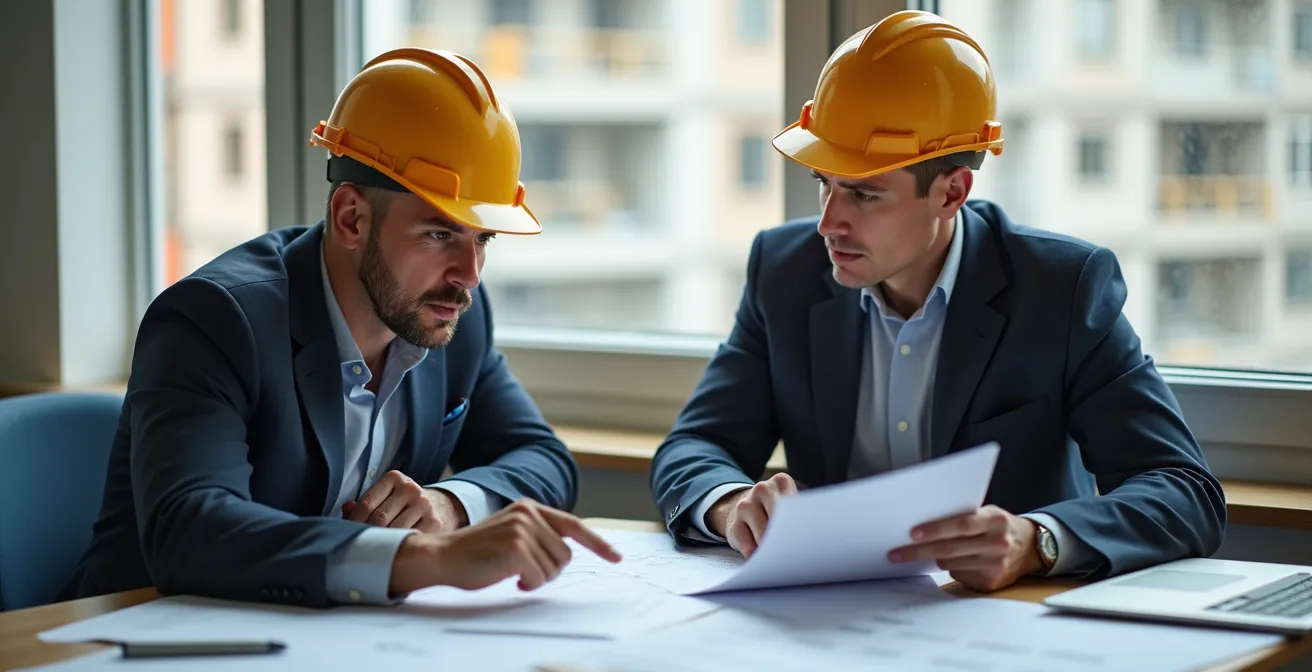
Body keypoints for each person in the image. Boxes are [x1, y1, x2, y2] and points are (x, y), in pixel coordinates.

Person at [649, 11, 1225, 592]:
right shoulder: (784, 270)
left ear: (951, 191)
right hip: (828, 620)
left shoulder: (1062, 289)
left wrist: (1037, 541)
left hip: (1007, 624)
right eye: (824, 183)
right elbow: (697, 445)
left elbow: (1182, 490)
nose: (828, 223)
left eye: (864, 193)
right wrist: (732, 503)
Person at [66, 48, 620, 608]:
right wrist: (425, 559)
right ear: (351, 217)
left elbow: (543, 460)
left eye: (482, 239)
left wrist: (449, 507)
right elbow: (191, 531)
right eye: (439, 235)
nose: (468, 276)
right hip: (141, 640)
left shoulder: (451, 316)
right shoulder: (215, 320)